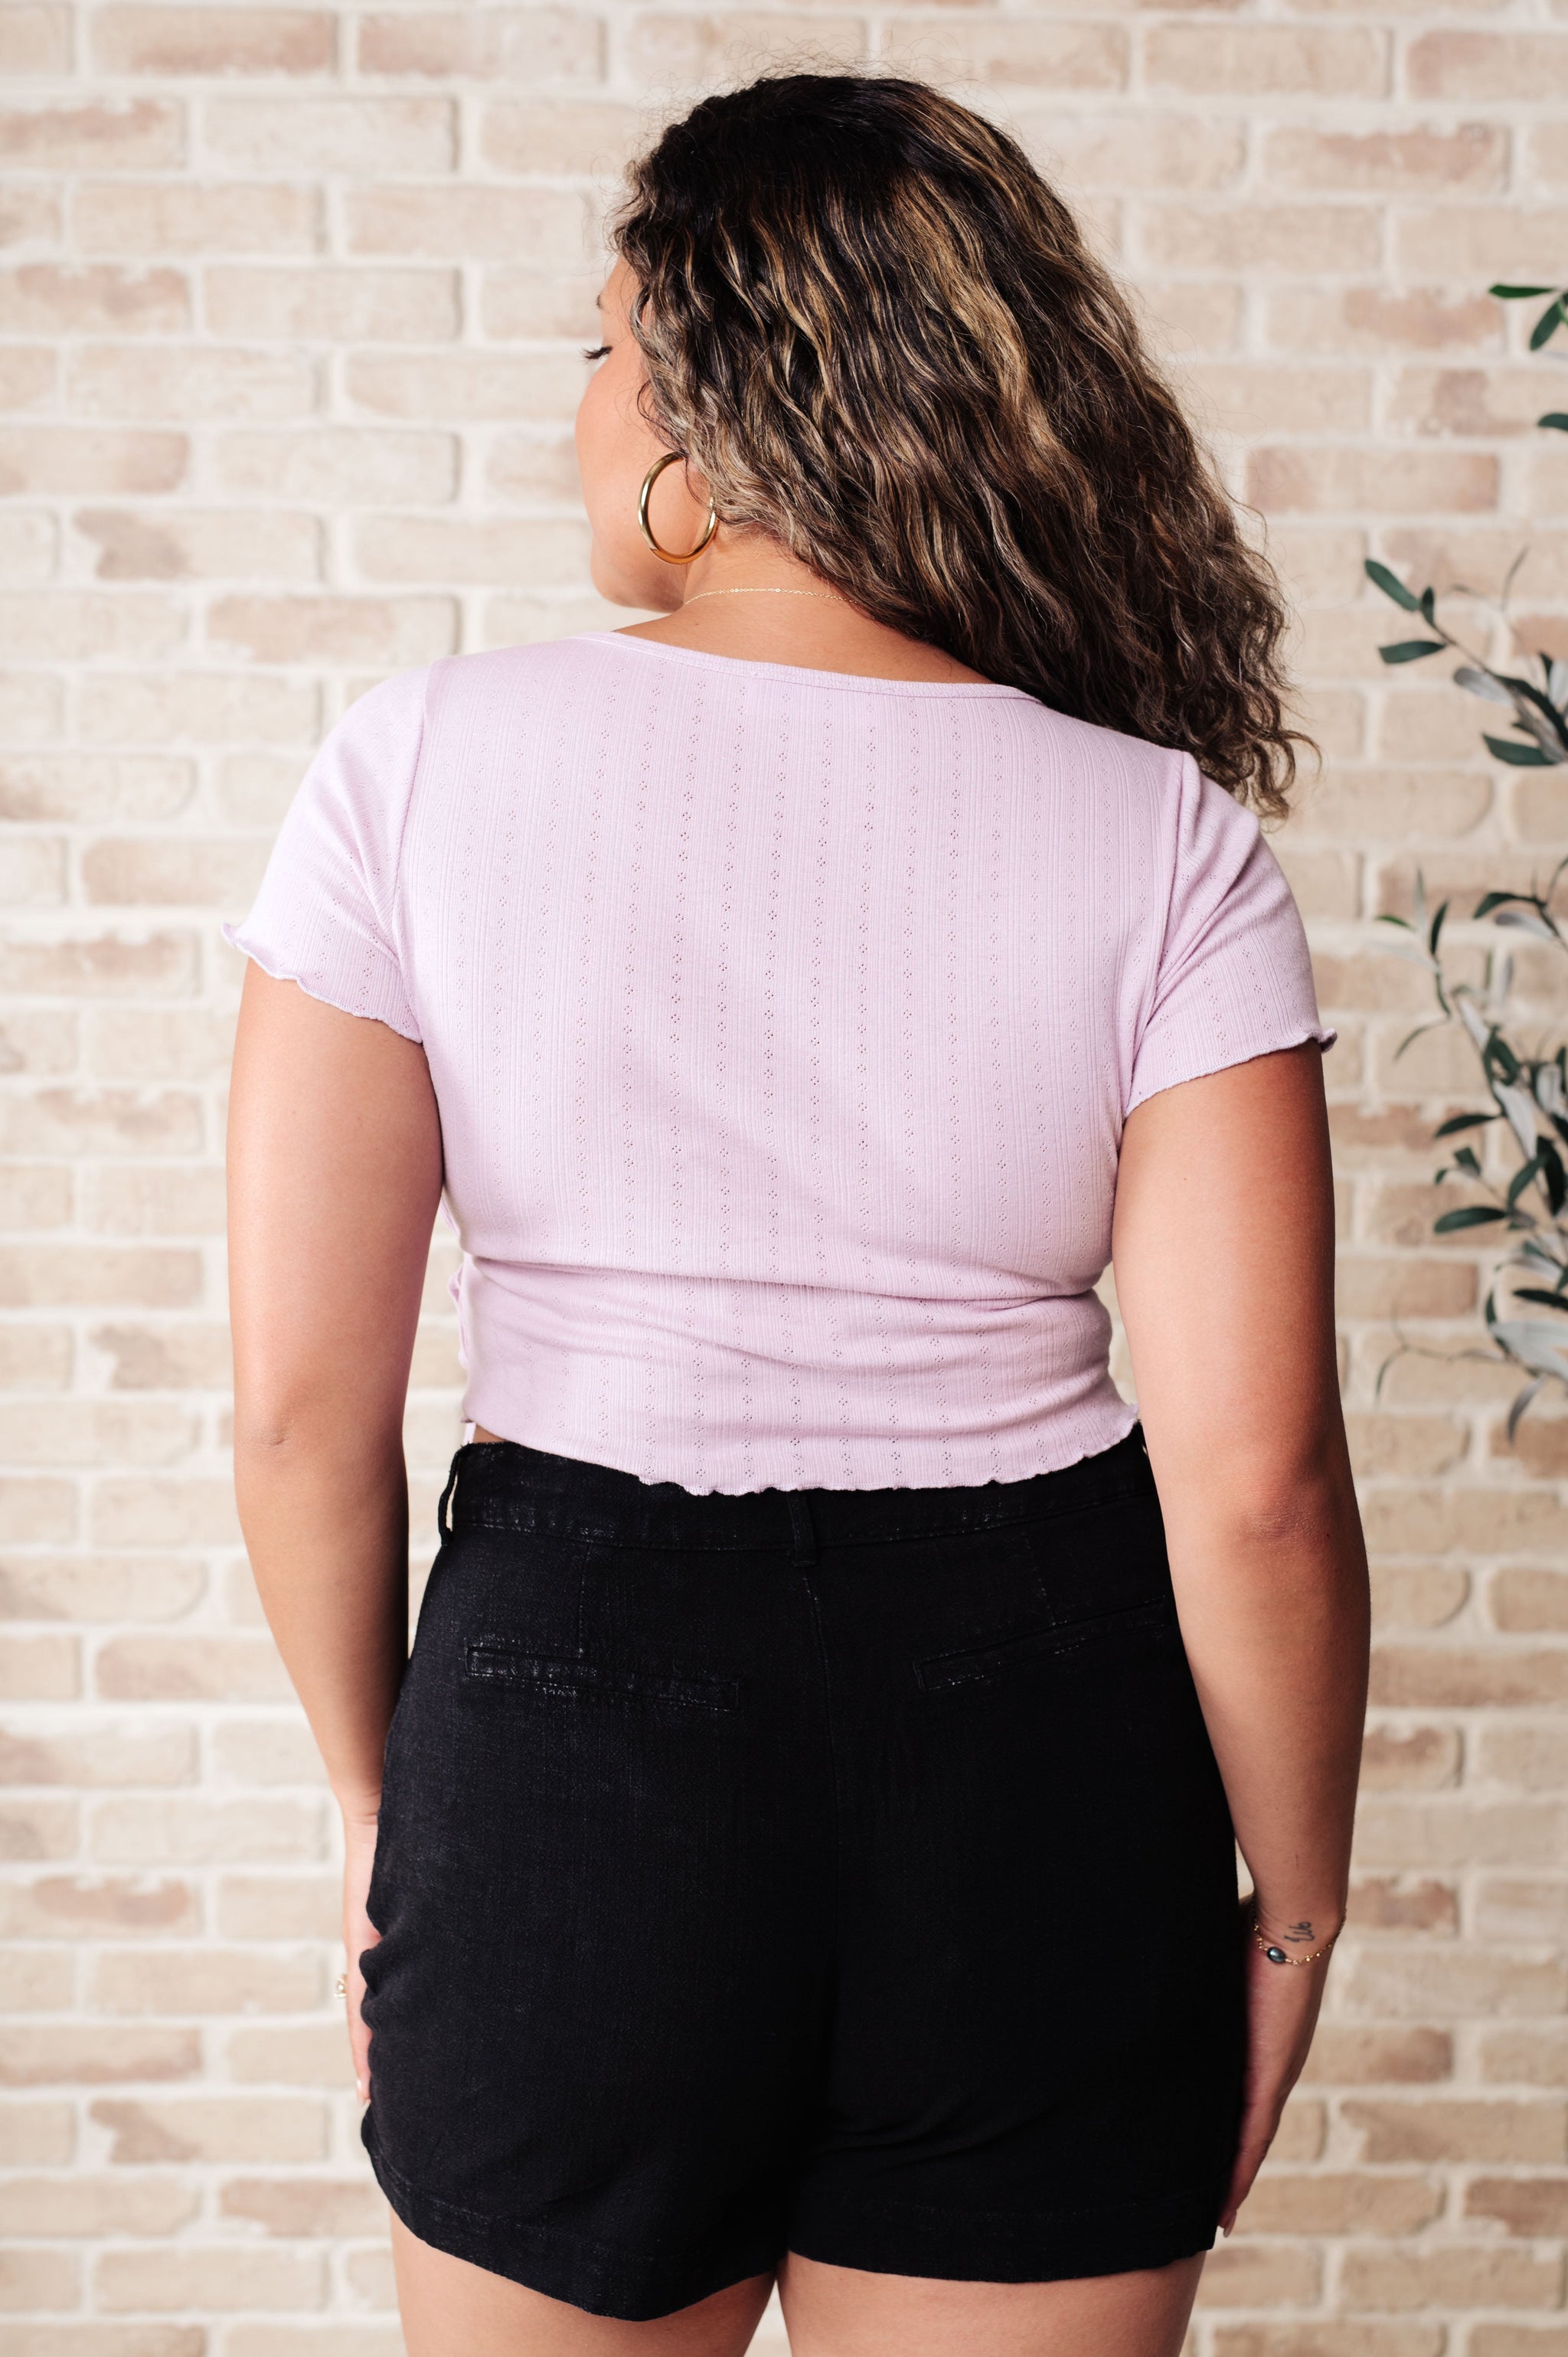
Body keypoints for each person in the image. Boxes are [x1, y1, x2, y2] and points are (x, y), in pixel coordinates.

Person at [224, 70, 1370, 2357]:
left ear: (698, 396)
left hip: (566, 1728)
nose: (578, 404)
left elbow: (296, 1416)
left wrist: (382, 1802)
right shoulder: (1165, 836)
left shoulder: (411, 768)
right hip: (1044, 1755)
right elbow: (1256, 1483)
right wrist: (1297, 1906)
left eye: (598, 346)